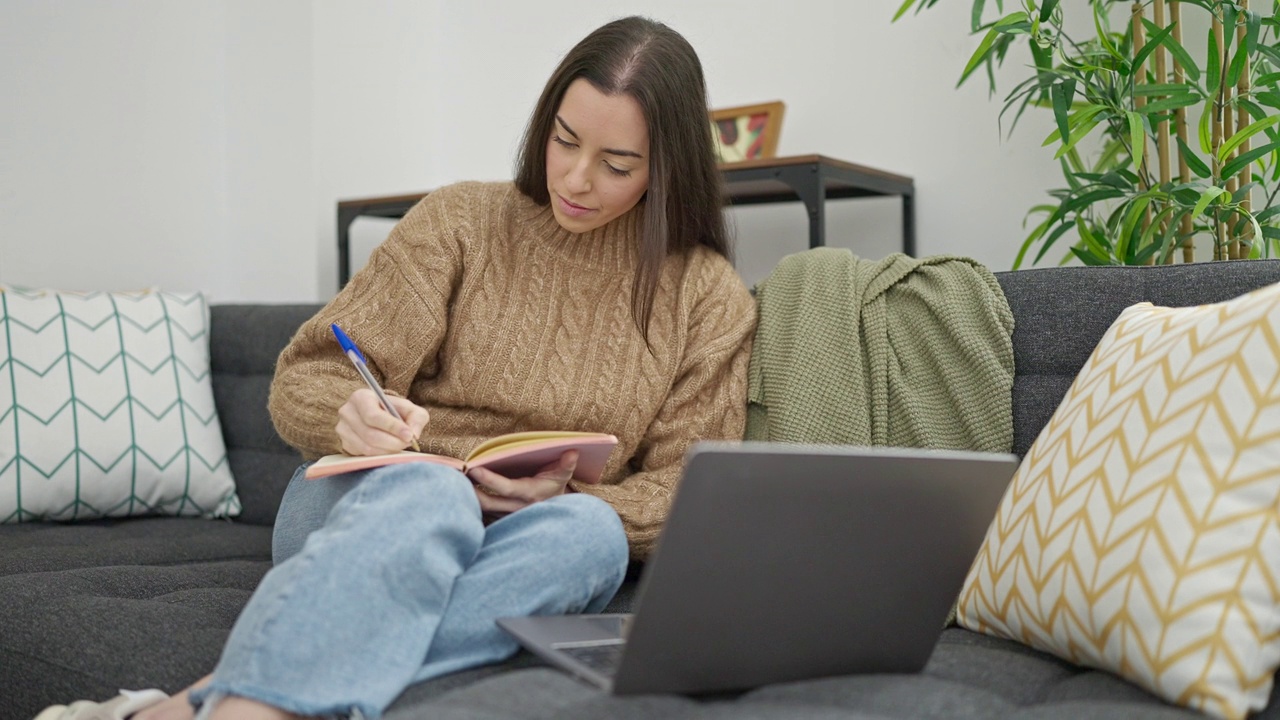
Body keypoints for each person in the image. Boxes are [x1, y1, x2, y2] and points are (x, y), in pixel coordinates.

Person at [37, 14, 756, 720]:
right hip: (373, 501)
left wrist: (575, 502)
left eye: (617, 164)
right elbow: (310, 374)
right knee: (429, 495)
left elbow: (690, 482)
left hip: (526, 535)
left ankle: (207, 700)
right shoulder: (459, 224)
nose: (575, 176)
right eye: (564, 141)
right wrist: (349, 416)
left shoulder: (704, 296)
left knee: (589, 538)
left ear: (666, 167)